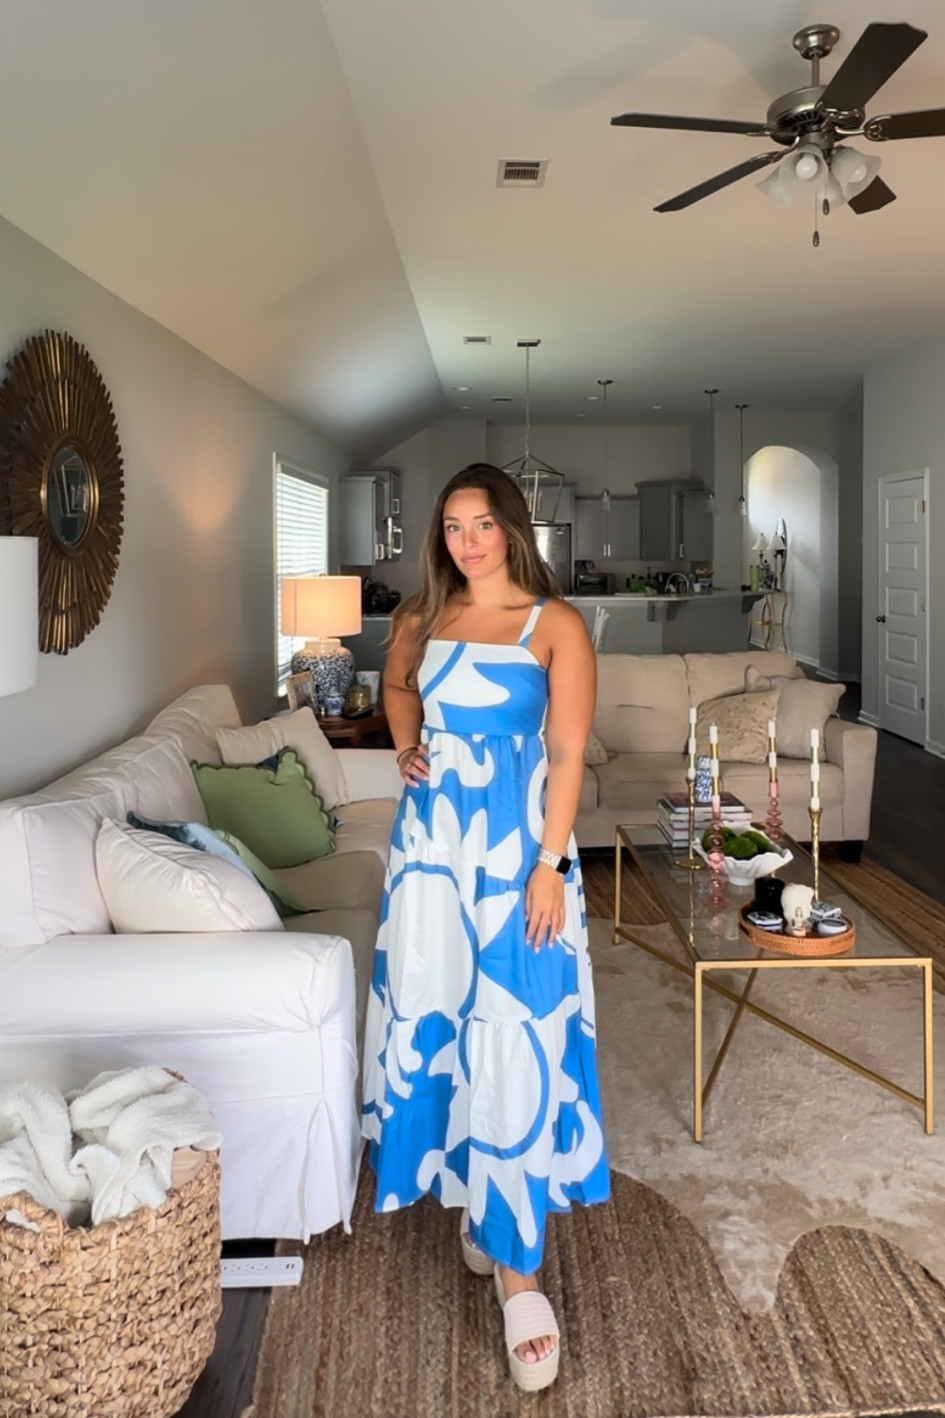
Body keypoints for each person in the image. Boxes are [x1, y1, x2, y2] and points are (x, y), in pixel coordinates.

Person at [361, 463, 609, 1392]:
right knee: (446, 1018)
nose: (466, 542)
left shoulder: (555, 625)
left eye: (482, 524)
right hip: (432, 853)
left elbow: (567, 750)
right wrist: (405, 745)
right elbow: (397, 691)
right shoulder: (421, 618)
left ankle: (517, 1270)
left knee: (518, 1025)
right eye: (452, 526)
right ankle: (480, 1204)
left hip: (517, 855)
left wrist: (549, 866)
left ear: (511, 528)